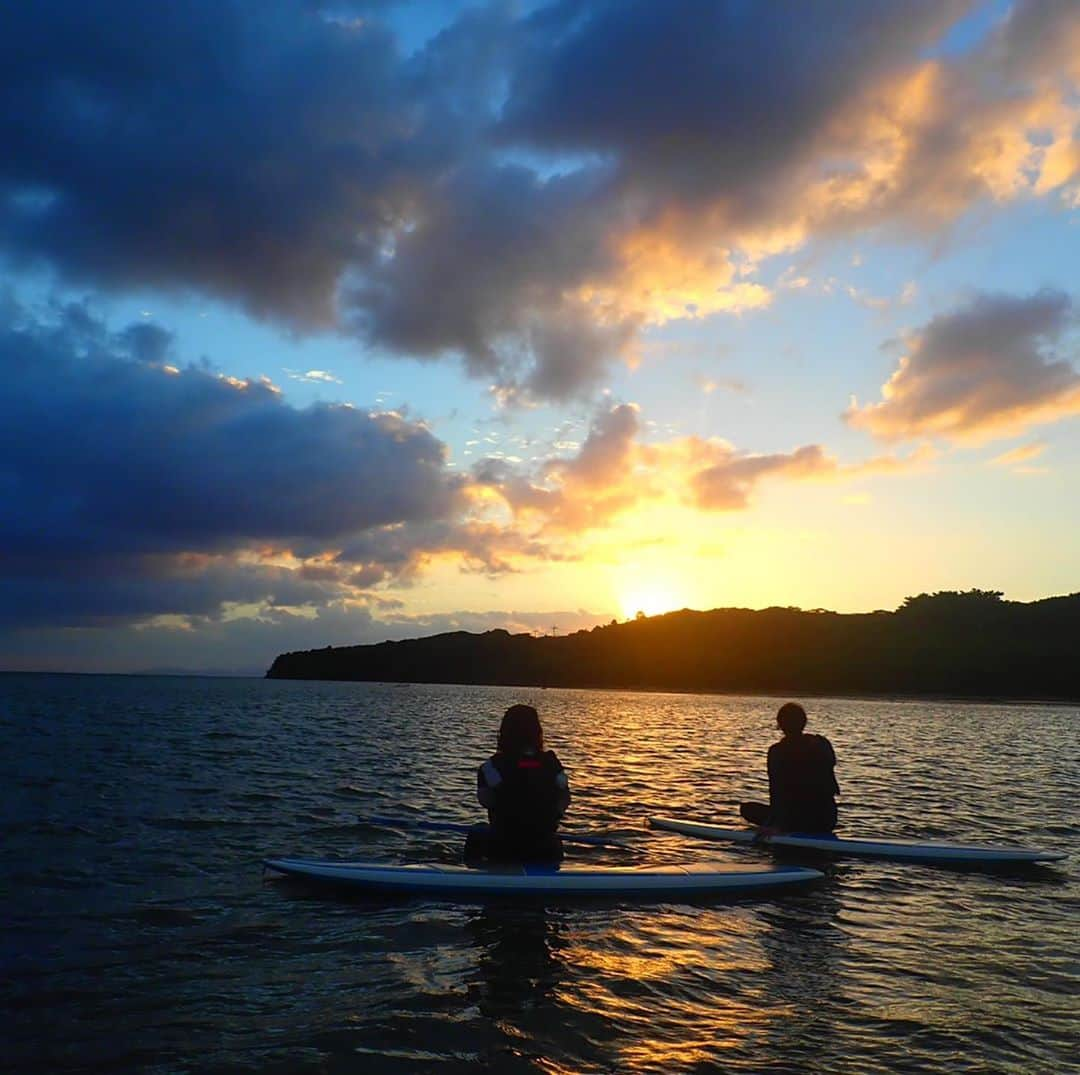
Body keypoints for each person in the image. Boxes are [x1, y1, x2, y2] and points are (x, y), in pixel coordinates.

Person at [464, 704, 571, 864]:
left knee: (477, 830)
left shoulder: (490, 767)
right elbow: (565, 799)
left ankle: (471, 876)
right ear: (537, 732)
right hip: (545, 846)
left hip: (503, 848)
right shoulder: (552, 764)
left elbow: (486, 801)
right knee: (553, 839)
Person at [740, 702, 839, 834]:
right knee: (750, 809)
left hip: (797, 821)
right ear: (804, 722)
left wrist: (779, 825)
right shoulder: (822, 743)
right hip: (828, 818)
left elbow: (777, 790)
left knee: (747, 810)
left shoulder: (777, 751)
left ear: (780, 725)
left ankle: (782, 826)